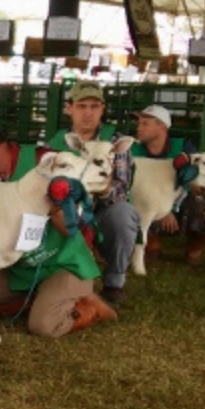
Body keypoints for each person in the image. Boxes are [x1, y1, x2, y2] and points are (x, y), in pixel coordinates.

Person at [0, 115, 117, 337]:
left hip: (63, 263)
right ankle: (40, 299)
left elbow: (76, 230)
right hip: (20, 267)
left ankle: (87, 305)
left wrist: (55, 207)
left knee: (44, 326)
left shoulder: (50, 163)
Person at [45, 81, 138, 307]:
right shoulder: (57, 143)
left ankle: (114, 283)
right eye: (82, 106)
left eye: (94, 106)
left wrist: (102, 188)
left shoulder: (115, 142)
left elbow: (121, 188)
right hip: (63, 212)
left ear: (102, 109)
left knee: (123, 213)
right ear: (69, 108)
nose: (88, 112)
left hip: (101, 210)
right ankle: (48, 275)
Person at [131, 104, 205, 266]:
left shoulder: (184, 148)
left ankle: (194, 251)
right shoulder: (132, 150)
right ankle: (151, 242)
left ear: (162, 127)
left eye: (145, 124)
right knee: (152, 250)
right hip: (146, 203)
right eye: (139, 124)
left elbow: (192, 177)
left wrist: (170, 208)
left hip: (179, 200)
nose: (139, 128)